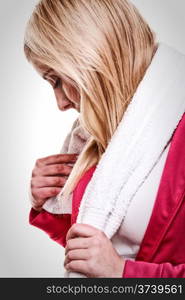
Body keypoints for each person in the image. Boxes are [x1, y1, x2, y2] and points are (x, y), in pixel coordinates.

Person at [24, 0, 185, 278]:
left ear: (88, 56)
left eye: (57, 80)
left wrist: (124, 273)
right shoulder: (97, 135)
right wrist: (47, 203)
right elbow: (95, 251)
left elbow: (115, 261)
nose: (60, 103)